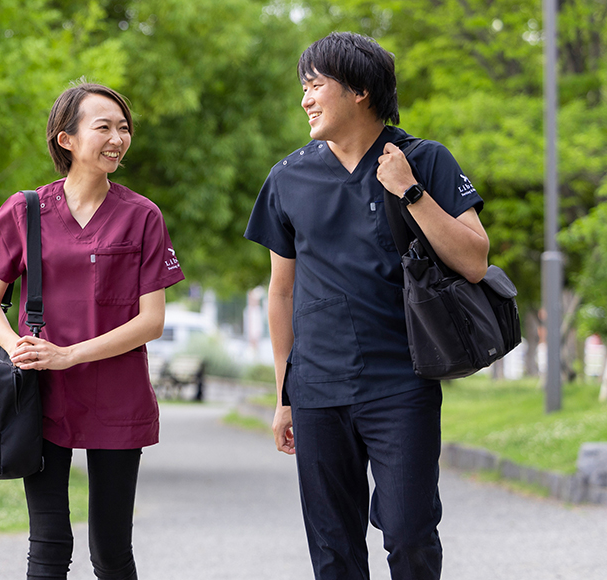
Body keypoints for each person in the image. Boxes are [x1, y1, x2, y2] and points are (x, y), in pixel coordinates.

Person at [244, 32, 490, 580]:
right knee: (333, 551)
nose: (305, 98)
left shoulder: (425, 159)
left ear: (359, 90)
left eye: (315, 85)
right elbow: (280, 293)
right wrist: (284, 396)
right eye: (303, 87)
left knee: (409, 537)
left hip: (401, 383)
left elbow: (475, 260)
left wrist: (411, 192)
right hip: (317, 390)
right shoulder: (288, 177)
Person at [0, 82, 184, 580]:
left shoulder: (142, 216)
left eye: (124, 128)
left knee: (110, 551)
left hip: (117, 396)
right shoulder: (26, 210)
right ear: (66, 139)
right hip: (41, 398)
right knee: (48, 545)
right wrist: (18, 348)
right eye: (104, 126)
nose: (118, 138)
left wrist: (69, 354)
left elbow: (152, 320)